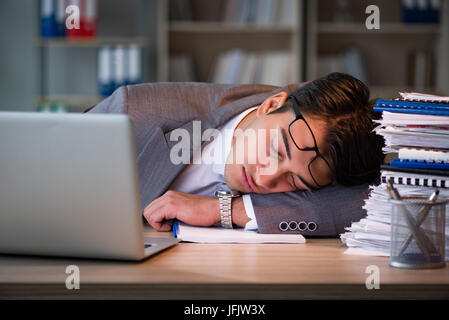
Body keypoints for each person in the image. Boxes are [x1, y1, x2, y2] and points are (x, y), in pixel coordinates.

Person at [86, 72, 384, 236]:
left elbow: (376, 199)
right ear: (270, 105)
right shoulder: (133, 113)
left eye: (294, 181)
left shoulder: (328, 129)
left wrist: (224, 210)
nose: (265, 178)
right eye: (275, 150)